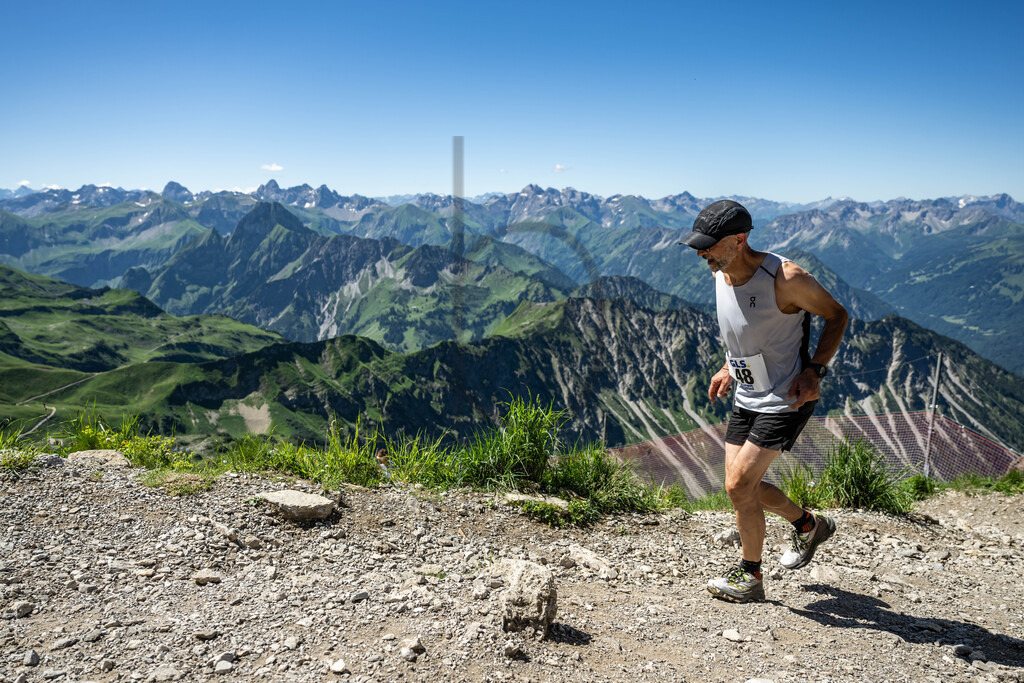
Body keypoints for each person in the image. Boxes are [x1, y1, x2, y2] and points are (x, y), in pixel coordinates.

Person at [680, 199, 849, 603]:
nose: (702, 253)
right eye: (698, 246)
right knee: (740, 488)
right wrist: (726, 366)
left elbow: (837, 315)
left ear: (739, 240)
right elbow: (744, 329)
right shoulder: (721, 274)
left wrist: (815, 371)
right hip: (747, 392)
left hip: (787, 396)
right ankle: (809, 525)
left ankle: (751, 577)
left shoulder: (786, 278)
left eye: (709, 246)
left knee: (740, 485)